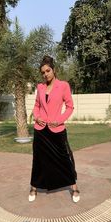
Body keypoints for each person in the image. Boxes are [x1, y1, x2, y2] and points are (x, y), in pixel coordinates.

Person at [29, 55, 80, 203]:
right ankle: (33, 188)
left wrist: (59, 120)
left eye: (48, 71)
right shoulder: (40, 87)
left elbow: (70, 107)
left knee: (64, 158)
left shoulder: (63, 85)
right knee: (38, 160)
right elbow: (37, 106)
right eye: (43, 72)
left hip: (56, 129)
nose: (45, 74)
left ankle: (74, 187)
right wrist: (37, 117)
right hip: (40, 130)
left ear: (54, 69)